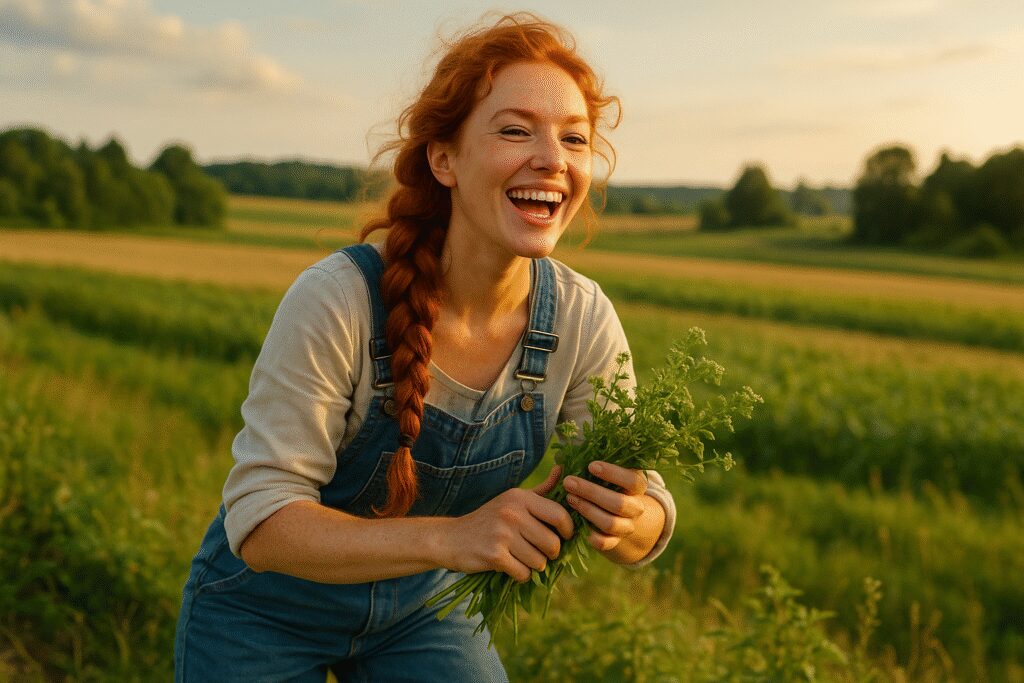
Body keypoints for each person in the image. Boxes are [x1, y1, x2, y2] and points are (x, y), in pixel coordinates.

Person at [174, 12, 677, 682]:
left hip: (422, 613)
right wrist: (455, 537)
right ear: (445, 159)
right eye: (514, 129)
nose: (552, 158)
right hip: (263, 612)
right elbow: (262, 522)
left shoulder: (581, 321)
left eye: (574, 138)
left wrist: (632, 516)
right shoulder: (339, 298)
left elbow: (645, 516)